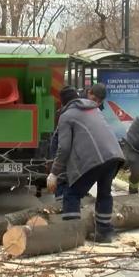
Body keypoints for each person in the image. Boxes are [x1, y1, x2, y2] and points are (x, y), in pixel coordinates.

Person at [47, 89, 124, 243]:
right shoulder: (94, 110)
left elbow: (64, 148)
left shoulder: (66, 116)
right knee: (104, 193)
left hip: (94, 159)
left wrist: (54, 173)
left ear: (63, 103)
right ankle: (105, 232)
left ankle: (73, 236)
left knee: (72, 194)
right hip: (114, 155)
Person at [47, 86, 79, 201]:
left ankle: (62, 209)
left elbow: (61, 146)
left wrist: (54, 171)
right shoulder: (86, 111)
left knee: (63, 184)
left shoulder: (64, 114)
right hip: (71, 158)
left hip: (66, 159)